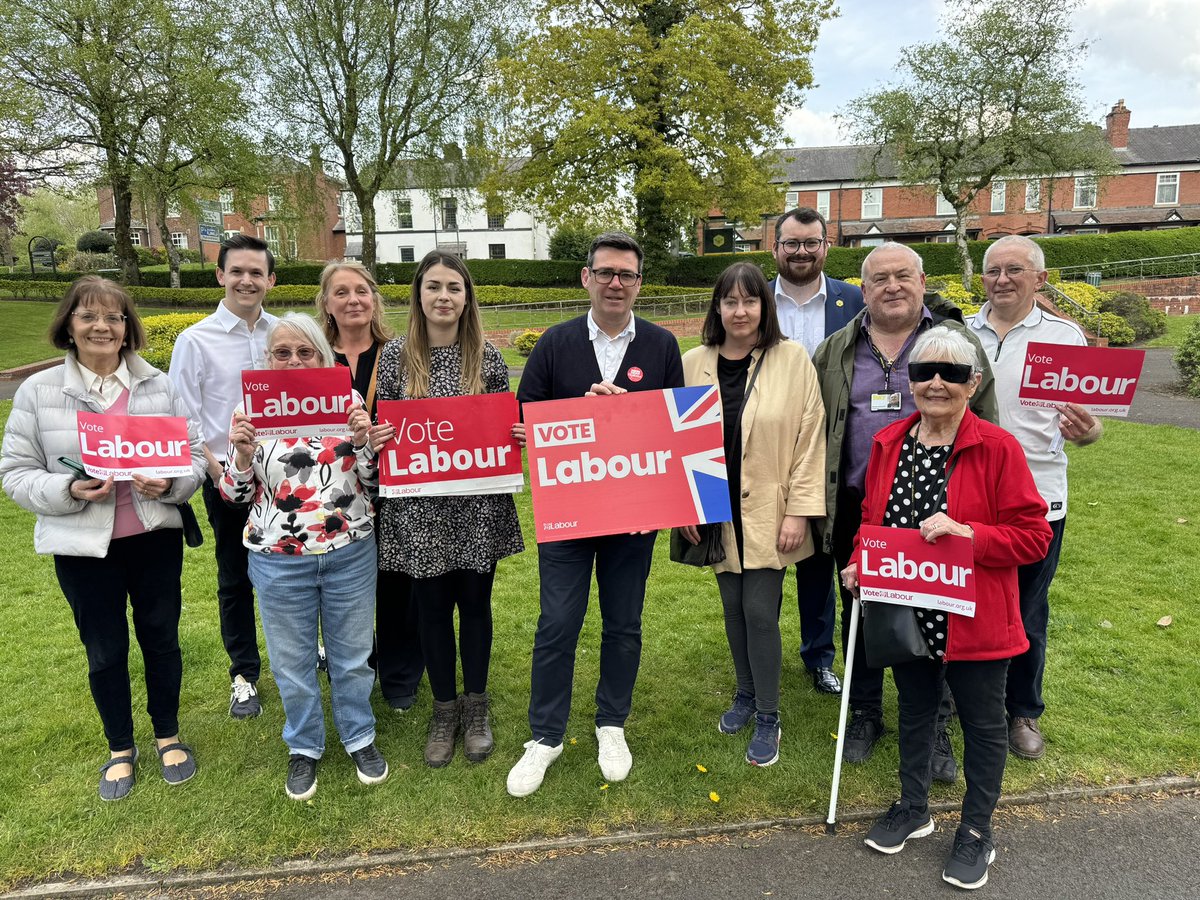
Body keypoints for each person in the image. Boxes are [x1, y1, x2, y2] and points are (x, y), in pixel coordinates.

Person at [842, 326, 1051, 890]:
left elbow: (1033, 537)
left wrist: (970, 534)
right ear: (909, 380)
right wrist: (863, 559)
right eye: (924, 371)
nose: (936, 382)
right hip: (907, 610)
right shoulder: (889, 442)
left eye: (952, 373)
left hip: (975, 617)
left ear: (972, 383)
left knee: (983, 725)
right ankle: (914, 807)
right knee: (914, 710)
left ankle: (978, 830)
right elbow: (872, 520)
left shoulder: (997, 447)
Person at [0, 276, 206, 800]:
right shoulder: (39, 391)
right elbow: (16, 473)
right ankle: (120, 747)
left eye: (114, 317)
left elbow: (197, 456)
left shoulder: (159, 385)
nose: (102, 327)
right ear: (68, 324)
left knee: (161, 638)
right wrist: (69, 487)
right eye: (89, 316)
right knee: (105, 648)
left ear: (127, 326)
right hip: (84, 547)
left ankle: (168, 734)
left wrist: (172, 483)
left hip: (152, 536)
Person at [507, 231, 684, 797]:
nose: (615, 283)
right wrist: (578, 415)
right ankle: (546, 735)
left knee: (624, 622)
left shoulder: (659, 346)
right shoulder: (556, 343)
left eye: (626, 275)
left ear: (638, 283)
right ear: (586, 277)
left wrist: (628, 418)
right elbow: (525, 417)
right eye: (605, 272)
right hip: (570, 512)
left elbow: (674, 425)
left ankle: (612, 723)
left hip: (632, 514)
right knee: (557, 621)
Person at [812, 242, 997, 780]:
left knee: (939, 614)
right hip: (859, 503)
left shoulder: (953, 344)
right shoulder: (836, 348)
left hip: (942, 506)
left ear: (921, 281)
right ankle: (866, 712)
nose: (891, 287)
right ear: (862, 290)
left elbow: (987, 418)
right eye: (879, 279)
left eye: (902, 276)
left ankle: (935, 723)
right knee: (863, 609)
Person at [220, 313, 386, 801]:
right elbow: (234, 494)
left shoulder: (347, 401)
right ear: (268, 359)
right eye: (282, 352)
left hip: (348, 550)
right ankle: (305, 746)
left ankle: (359, 736)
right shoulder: (250, 410)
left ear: (322, 355)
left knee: (352, 656)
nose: (293, 360)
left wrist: (364, 443)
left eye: (304, 352)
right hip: (278, 557)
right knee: (291, 662)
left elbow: (374, 483)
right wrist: (243, 454)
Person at [370, 251, 524, 767]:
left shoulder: (488, 357)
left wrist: (517, 435)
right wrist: (376, 437)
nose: (443, 296)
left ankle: (475, 706)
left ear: (467, 297)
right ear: (418, 293)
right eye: (433, 286)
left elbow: (502, 425)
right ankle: (443, 708)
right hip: (419, 512)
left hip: (477, 506)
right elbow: (381, 433)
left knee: (476, 607)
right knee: (432, 612)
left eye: (454, 288)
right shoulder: (394, 357)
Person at [678, 262, 826, 766]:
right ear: (717, 308)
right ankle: (744, 693)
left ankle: (768, 714)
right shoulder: (692, 361)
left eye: (750, 300)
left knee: (761, 613)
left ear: (765, 306)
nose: (740, 311)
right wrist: (685, 505)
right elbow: (675, 441)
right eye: (730, 301)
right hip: (716, 510)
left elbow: (811, 438)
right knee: (733, 609)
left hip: (772, 508)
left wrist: (800, 512)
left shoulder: (793, 359)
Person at [967, 234, 1103, 761]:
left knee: (1025, 609)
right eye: (993, 270)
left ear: (1040, 279)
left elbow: (1088, 425)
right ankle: (964, 699)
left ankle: (1022, 711)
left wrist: (1087, 433)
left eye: (1014, 270)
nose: (1002, 280)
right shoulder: (959, 332)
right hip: (971, 492)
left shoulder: (1065, 337)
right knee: (967, 603)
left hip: (1038, 495)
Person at [170, 234, 278, 719]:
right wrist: (216, 470)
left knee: (294, 570)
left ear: (271, 280)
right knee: (236, 577)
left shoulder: (286, 334)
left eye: (257, 272)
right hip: (227, 478)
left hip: (285, 479)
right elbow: (184, 416)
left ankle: (299, 651)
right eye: (237, 271)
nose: (247, 280)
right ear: (220, 276)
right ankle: (244, 673)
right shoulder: (195, 340)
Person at [316, 261, 425, 712]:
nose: (353, 300)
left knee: (399, 581)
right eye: (341, 292)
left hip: (399, 485)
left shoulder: (401, 352)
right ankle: (355, 661)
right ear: (326, 303)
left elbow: (427, 414)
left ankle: (400, 673)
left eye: (362, 291)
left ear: (375, 299)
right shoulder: (314, 356)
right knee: (349, 586)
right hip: (337, 492)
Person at [771, 207, 865, 697]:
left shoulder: (854, 300)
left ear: (826, 247)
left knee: (828, 560)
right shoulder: (755, 301)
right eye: (792, 243)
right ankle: (759, 655)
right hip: (769, 454)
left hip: (839, 453)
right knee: (780, 561)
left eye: (811, 243)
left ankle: (821, 657)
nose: (801, 252)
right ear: (776, 249)